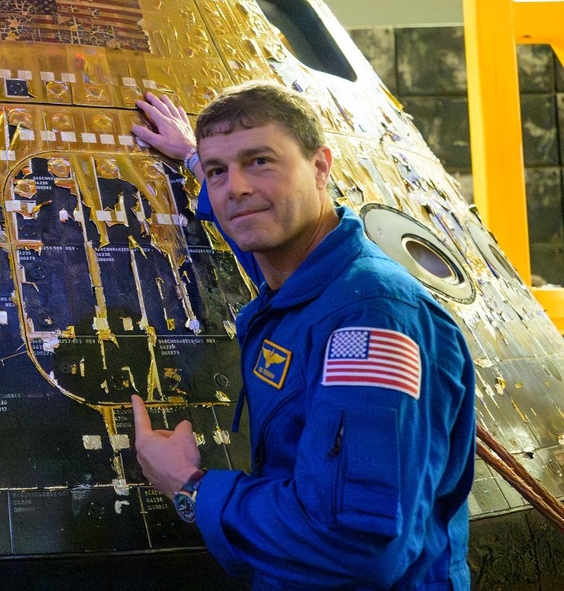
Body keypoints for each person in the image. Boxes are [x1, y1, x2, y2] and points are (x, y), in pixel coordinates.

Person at [129, 82, 474, 590]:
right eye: (221, 171)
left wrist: (190, 486)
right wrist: (194, 160)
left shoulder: (370, 319)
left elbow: (355, 548)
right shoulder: (305, 275)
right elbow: (258, 239)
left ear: (320, 167)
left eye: (260, 161)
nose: (236, 188)